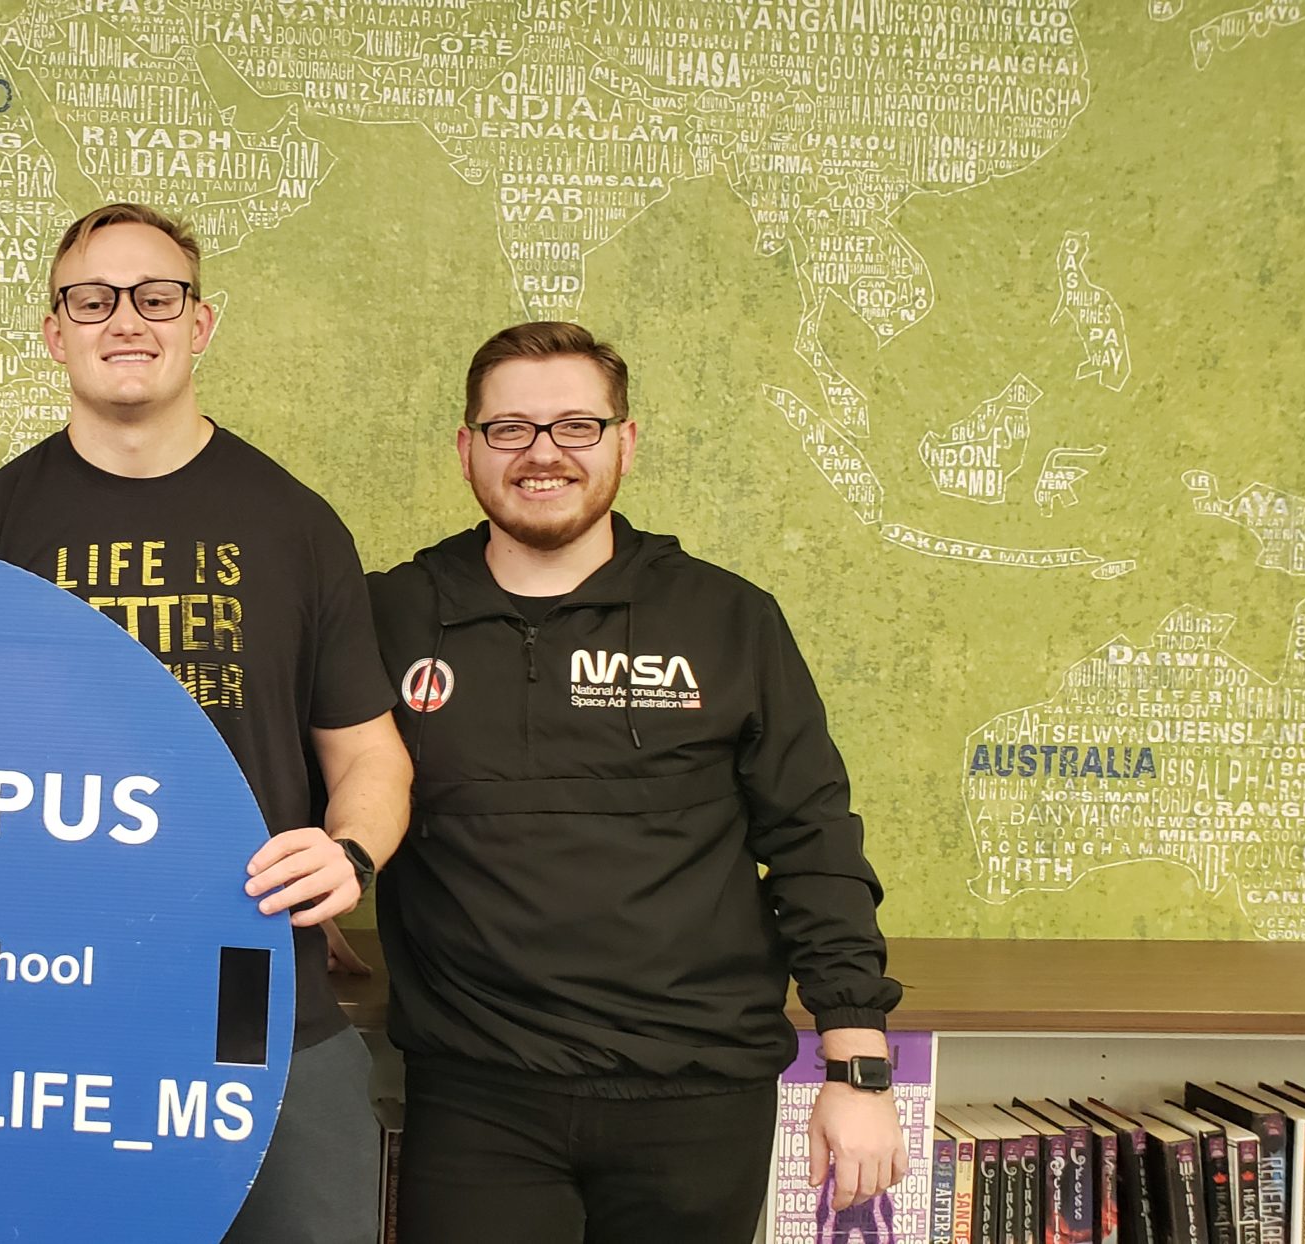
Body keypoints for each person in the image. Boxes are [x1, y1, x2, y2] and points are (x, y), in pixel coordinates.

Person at [0, 202, 413, 1244]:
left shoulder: (296, 525)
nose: (125, 320)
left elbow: (370, 754)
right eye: (91, 299)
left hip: (262, 1008)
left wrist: (348, 854)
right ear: (54, 331)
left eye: (156, 296)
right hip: (42, 1017)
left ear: (200, 323)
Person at [365, 321, 906, 1243]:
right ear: (466, 448)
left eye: (577, 426)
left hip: (699, 1095)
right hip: (478, 1098)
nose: (543, 453)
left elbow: (811, 836)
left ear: (625, 441)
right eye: (510, 428)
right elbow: (326, 779)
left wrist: (856, 1066)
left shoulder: (727, 617)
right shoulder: (393, 615)